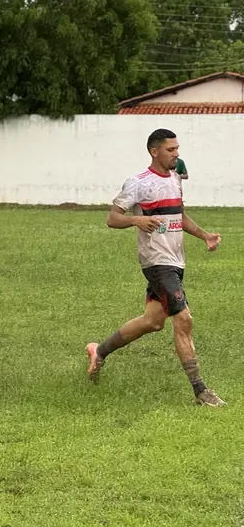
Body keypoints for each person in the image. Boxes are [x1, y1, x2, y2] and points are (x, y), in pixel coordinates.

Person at [86, 129, 224, 407]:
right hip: (157, 262)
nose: (176, 154)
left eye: (177, 148)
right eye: (171, 149)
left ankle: (99, 351)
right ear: (154, 151)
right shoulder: (138, 183)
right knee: (183, 319)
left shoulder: (175, 177)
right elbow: (112, 218)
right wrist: (136, 221)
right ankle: (201, 392)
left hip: (176, 260)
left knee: (153, 321)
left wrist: (204, 235)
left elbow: (179, 214)